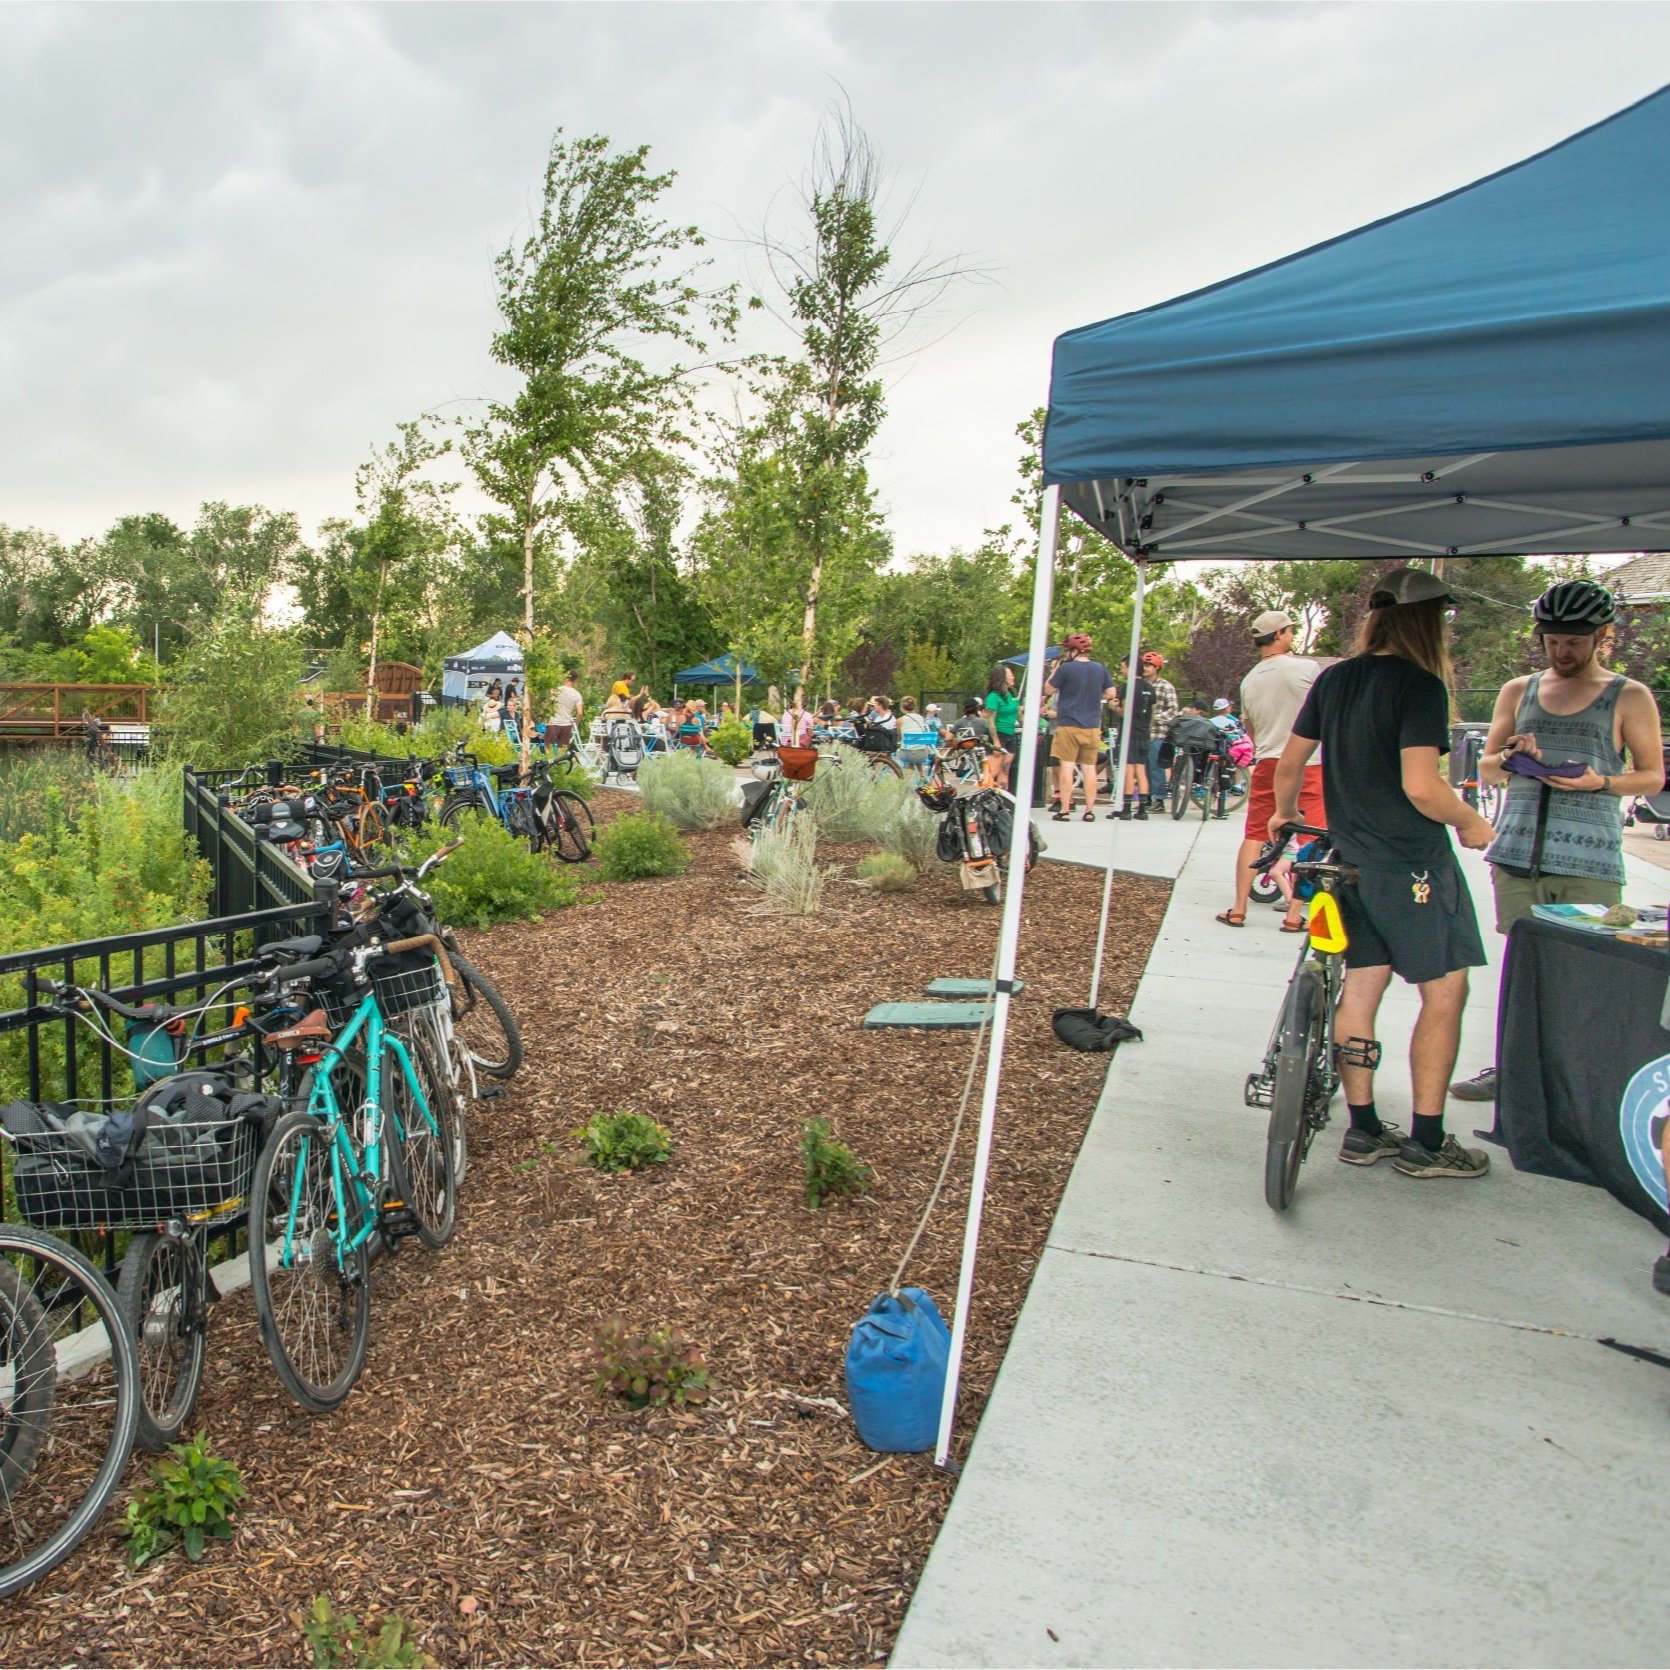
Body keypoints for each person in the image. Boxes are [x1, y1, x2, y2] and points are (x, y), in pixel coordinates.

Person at [1270, 566, 1498, 1180]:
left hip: (1347, 860)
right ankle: (1427, 1140)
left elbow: (1289, 762)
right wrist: (1471, 822)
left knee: (1361, 988)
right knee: (1445, 992)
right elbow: (1422, 787)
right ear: (1431, 622)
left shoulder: (1335, 678)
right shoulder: (1421, 687)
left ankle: (1364, 1130)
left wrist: (1285, 817)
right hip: (1412, 862)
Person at [1450, 578, 1665, 1104]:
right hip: (1518, 851)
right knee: (1524, 968)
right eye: (1552, 641)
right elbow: (1488, 768)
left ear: (1598, 637)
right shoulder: (1518, 690)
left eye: (1573, 641)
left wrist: (1603, 782)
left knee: (1585, 974)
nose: (1562, 651)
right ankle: (1512, 1069)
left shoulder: (1628, 695)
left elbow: (1654, 776)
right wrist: (1510, 756)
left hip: (1589, 856)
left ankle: (1578, 1084)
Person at [1219, 609, 1325, 928]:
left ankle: (1239, 909)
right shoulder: (1307, 668)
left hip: (1268, 762)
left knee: (1254, 832)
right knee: (1311, 835)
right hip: (1309, 760)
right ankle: (1294, 915)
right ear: (1278, 634)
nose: (1292, 635)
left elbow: (1251, 731)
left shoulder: (1249, 681)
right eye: (1290, 630)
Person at [1045, 633, 1116, 822]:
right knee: (1089, 768)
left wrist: (1056, 670)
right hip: (1092, 726)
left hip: (1068, 724)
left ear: (1074, 651)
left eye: (1068, 650)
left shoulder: (1066, 669)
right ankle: (1089, 810)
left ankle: (1065, 810)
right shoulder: (1100, 669)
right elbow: (1111, 693)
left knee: (1067, 766)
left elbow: (1048, 690)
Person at [1108, 655, 1156, 820]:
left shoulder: (1128, 687)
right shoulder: (1150, 688)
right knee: (1141, 771)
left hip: (1130, 733)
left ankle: (1127, 808)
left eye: (1123, 667)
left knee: (1129, 770)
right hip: (1144, 733)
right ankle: (1142, 809)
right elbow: (1152, 714)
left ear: (1130, 667)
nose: (1121, 670)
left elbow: (1126, 712)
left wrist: (1114, 707)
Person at [1141, 653, 1179, 808]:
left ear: (1157, 667)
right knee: (1143, 767)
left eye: (1148, 665)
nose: (1144, 668)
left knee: (1156, 767)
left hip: (1158, 733)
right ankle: (1147, 798)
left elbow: (1173, 710)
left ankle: (1159, 799)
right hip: (1142, 732)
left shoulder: (1165, 686)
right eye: (1143, 665)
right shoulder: (1142, 685)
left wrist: (1155, 717)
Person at [983, 665, 1020, 787]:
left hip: (1010, 733)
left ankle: (1003, 799)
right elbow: (990, 721)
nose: (1013, 677)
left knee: (1005, 770)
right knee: (993, 770)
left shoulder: (1011, 695)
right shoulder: (993, 696)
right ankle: (981, 797)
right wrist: (995, 741)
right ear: (1002, 677)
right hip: (998, 734)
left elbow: (1018, 714)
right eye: (1010, 675)